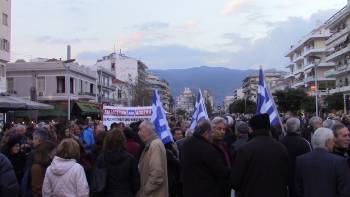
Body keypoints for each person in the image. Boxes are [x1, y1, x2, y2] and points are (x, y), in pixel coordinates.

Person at [231, 114, 289, 197]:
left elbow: (235, 181)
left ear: (252, 128)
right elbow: (287, 177)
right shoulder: (281, 148)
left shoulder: (245, 149)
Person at [295, 127, 350, 197]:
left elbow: (299, 188)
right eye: (332, 141)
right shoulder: (339, 161)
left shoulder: (301, 160)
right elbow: (345, 191)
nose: (333, 143)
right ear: (327, 142)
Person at [181, 120, 230, 197]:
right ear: (206, 133)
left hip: (189, 189)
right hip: (205, 191)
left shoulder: (186, 143)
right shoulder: (207, 148)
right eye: (211, 132)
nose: (212, 135)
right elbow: (220, 170)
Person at [94, 128, 140, 197]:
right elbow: (136, 182)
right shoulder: (130, 159)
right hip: (126, 193)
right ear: (123, 141)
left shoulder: (102, 158)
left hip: (107, 193)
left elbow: (97, 180)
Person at [279, 118, 311, 197]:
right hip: (300, 180)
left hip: (284, 180)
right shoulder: (305, 143)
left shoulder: (279, 143)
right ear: (298, 128)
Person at [137, 120, 168, 197]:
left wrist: (144, 191)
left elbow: (157, 174)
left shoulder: (155, 145)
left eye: (140, 130)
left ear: (148, 131)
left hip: (153, 194)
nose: (138, 133)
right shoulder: (152, 144)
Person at [211, 117, 232, 197]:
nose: (222, 132)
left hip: (226, 186)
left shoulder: (224, 144)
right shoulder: (209, 146)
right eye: (219, 129)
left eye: (224, 129)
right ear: (212, 129)